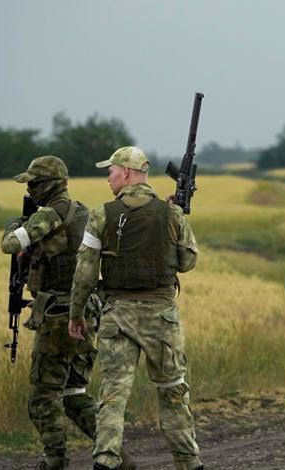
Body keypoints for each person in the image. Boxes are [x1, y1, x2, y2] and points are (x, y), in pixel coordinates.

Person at [68, 146, 204, 470]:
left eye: (111, 172)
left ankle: (105, 460)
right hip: (162, 320)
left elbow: (85, 273)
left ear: (127, 173)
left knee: (113, 396)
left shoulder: (101, 215)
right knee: (173, 393)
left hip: (117, 317)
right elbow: (187, 262)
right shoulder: (170, 214)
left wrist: (76, 314)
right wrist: (177, 218)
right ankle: (190, 464)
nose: (109, 178)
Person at [1, 155, 132, 470]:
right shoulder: (85, 212)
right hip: (88, 314)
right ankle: (118, 458)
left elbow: (9, 244)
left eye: (34, 183)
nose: (30, 189)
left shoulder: (48, 216)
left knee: (43, 398)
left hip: (58, 319)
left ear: (47, 185)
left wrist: (15, 225)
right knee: (74, 395)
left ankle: (55, 460)